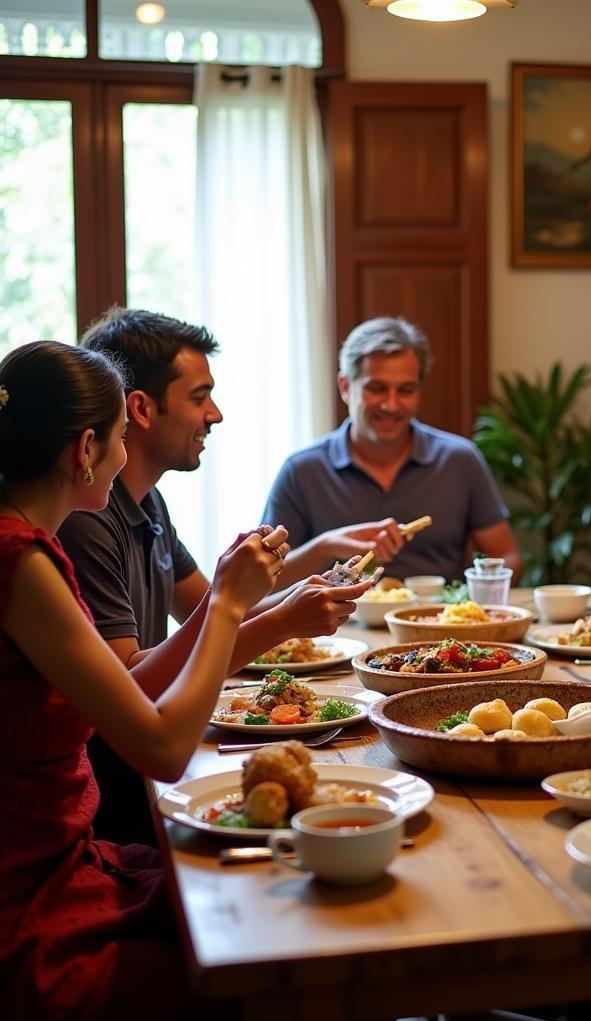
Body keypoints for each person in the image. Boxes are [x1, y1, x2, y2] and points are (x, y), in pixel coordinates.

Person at [0, 341, 323, 1021]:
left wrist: (227, 601)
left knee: (271, 893)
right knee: (274, 951)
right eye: (120, 434)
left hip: (68, 858)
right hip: (30, 897)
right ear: (85, 450)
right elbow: (166, 752)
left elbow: (135, 680)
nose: (123, 455)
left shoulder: (34, 542)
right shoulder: (21, 560)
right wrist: (231, 606)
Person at [57, 307, 373, 845]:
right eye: (200, 396)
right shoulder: (87, 522)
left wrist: (296, 598)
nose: (216, 414)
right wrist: (278, 622)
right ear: (141, 408)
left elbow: (207, 611)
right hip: (123, 797)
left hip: (153, 768)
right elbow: (131, 689)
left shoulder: (147, 501)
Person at [263, 315, 522, 584]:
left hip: (439, 621)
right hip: (334, 625)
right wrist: (327, 546)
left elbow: (507, 556)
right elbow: (266, 581)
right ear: (345, 387)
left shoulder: (460, 460)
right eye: (376, 388)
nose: (391, 405)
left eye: (406, 390)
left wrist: (470, 599)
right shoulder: (302, 470)